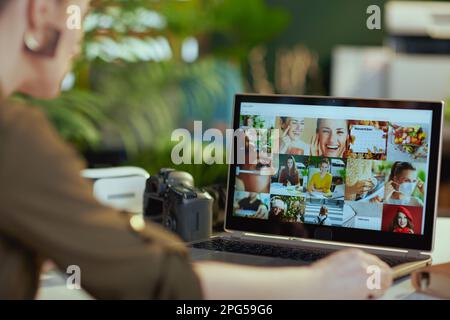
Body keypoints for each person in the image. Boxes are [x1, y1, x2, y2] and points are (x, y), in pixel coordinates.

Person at [0, 0, 392, 300]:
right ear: (40, 12)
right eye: (82, 12)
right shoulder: (14, 134)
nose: (80, 34)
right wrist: (318, 283)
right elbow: (158, 282)